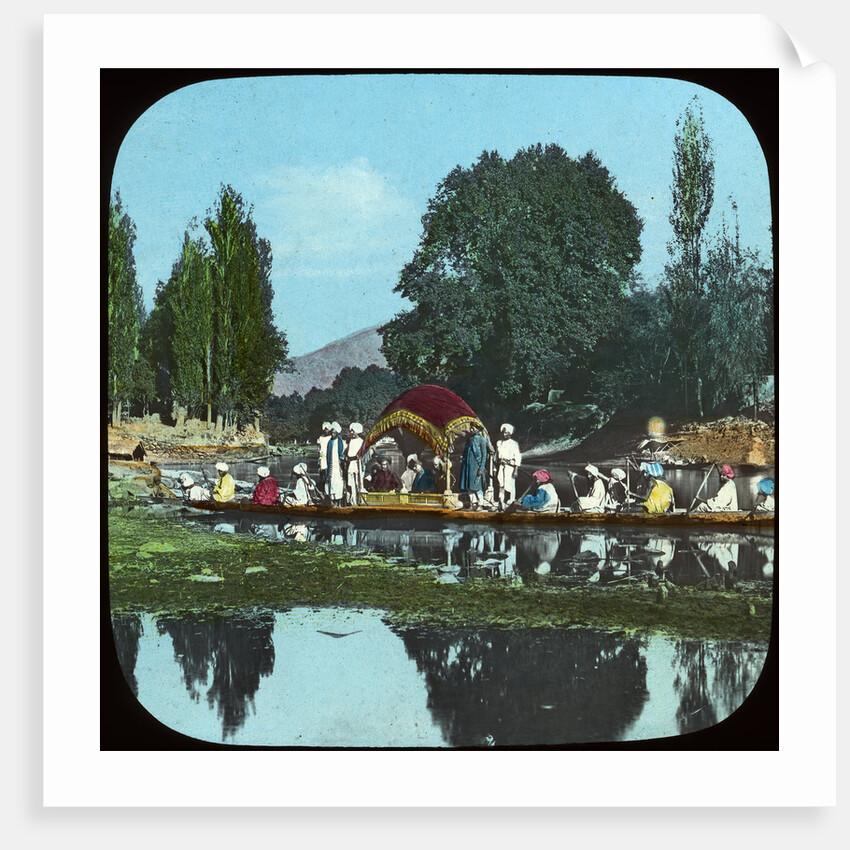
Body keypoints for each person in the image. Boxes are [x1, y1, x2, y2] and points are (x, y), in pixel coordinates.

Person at [459, 428, 489, 509]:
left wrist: (481, 468)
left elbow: (484, 455)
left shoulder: (482, 439)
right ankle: (473, 503)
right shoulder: (469, 440)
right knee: (469, 485)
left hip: (476, 466)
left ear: (478, 429)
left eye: (474, 428)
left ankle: (480, 504)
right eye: (471, 428)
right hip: (468, 466)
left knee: (477, 486)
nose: (472, 430)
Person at [495, 423, 522, 509]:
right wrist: (496, 467)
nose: (504, 434)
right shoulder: (499, 443)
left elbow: (517, 456)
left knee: (510, 484)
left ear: (510, 433)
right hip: (501, 466)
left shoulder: (514, 444)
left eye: (506, 432)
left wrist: (516, 469)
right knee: (501, 484)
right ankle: (501, 501)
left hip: (510, 467)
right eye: (503, 432)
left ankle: (511, 501)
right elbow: (496, 456)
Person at [344, 422, 365, 506]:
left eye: (353, 431)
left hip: (357, 463)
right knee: (351, 482)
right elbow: (347, 452)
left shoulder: (361, 441)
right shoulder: (351, 441)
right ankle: (353, 500)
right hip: (351, 463)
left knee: (358, 482)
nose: (352, 433)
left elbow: (362, 453)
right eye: (351, 431)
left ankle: (359, 499)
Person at [326, 422, 345, 505]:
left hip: (338, 465)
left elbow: (341, 453)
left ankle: (339, 502)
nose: (333, 434)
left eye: (334, 432)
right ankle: (332, 501)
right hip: (331, 465)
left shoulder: (340, 441)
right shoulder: (330, 442)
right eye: (332, 432)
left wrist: (341, 464)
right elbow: (328, 455)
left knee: (338, 482)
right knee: (331, 481)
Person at [316, 422, 332, 494]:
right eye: (325, 429)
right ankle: (322, 490)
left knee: (328, 474)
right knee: (322, 473)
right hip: (322, 458)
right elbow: (319, 449)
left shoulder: (331, 438)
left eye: (327, 429)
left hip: (329, 457)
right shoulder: (321, 438)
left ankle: (328, 490)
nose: (326, 431)